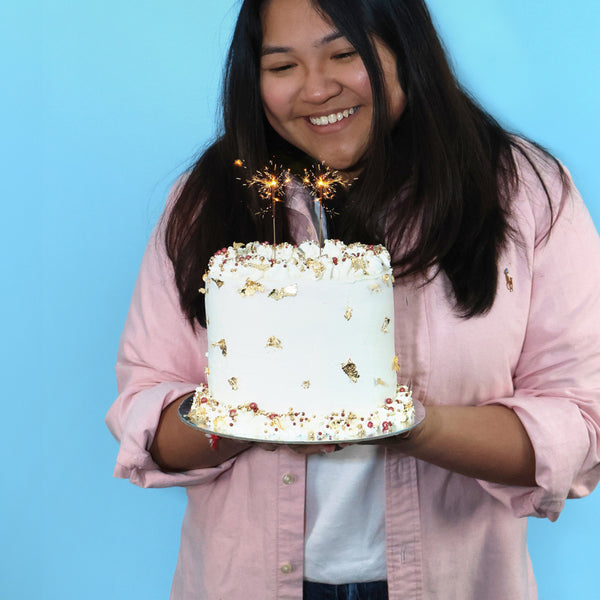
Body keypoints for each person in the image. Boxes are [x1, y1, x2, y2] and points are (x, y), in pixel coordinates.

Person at [105, 0, 600, 598]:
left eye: (344, 54)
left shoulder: (522, 191)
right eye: (282, 66)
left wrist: (407, 425)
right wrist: (254, 416)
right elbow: (146, 412)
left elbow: (582, 419)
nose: (317, 89)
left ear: (405, 52)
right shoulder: (209, 198)